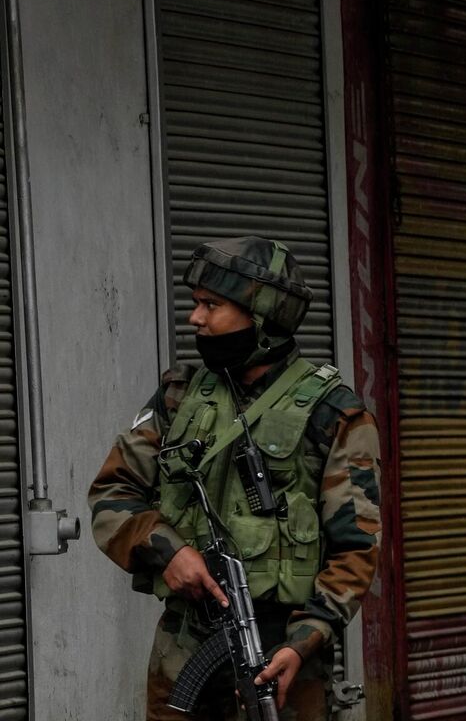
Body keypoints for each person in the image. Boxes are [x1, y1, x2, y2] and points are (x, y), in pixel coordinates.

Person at [89, 236, 382, 720]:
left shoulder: (334, 414)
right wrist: (168, 550)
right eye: (196, 304)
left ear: (264, 318)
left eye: (211, 305)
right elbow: (113, 492)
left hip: (283, 654)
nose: (195, 318)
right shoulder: (178, 399)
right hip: (183, 650)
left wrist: (301, 643)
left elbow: (356, 549)